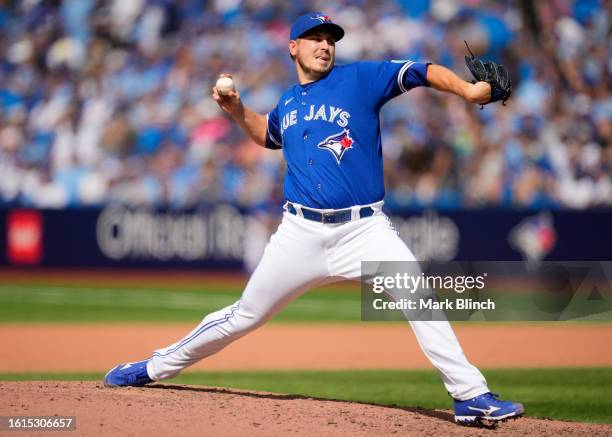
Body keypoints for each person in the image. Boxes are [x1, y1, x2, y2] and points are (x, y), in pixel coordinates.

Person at [104, 12, 524, 425]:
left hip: (364, 228)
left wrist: (468, 92)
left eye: (330, 39)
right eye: (314, 38)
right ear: (293, 47)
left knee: (418, 297)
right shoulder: (288, 102)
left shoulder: (359, 78)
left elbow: (421, 69)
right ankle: (153, 368)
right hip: (299, 232)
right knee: (243, 316)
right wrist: (235, 108)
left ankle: (470, 397)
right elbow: (265, 134)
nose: (325, 45)